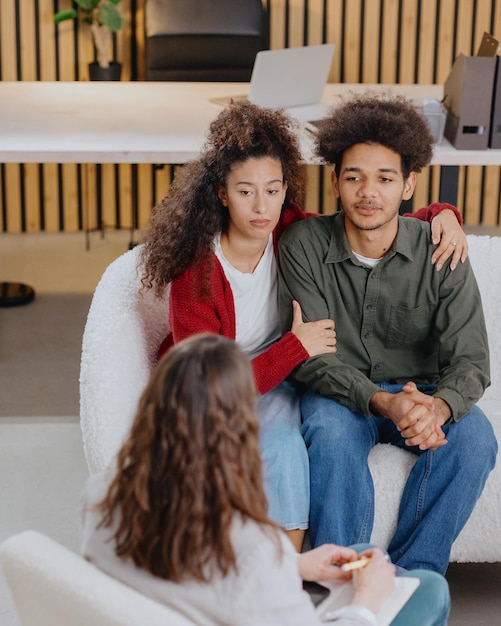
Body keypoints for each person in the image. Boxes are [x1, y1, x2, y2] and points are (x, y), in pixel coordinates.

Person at [140, 100, 466, 551]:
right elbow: (208, 388)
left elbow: (369, 221)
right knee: (263, 449)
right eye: (245, 191)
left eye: (273, 190)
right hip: (211, 387)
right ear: (221, 193)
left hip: (274, 379)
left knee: (287, 446)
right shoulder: (196, 272)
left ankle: (294, 576)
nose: (261, 207)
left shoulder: (285, 228)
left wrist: (442, 213)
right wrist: (295, 347)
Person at [81, 333, 451, 626]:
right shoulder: (250, 545)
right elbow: (242, 565)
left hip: (216, 605)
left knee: (363, 559)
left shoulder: (102, 496)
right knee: (428, 589)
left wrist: (296, 565)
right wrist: (366, 603)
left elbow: (202, 576)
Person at [276, 91, 498, 575]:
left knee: (476, 437)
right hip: (339, 395)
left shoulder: (441, 249)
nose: (368, 192)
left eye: (385, 178)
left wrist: (436, 408)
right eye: (354, 177)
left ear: (408, 185)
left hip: (424, 389)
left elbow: (472, 361)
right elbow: (313, 358)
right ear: (334, 183)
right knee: (329, 431)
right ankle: (341, 579)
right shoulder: (304, 246)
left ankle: (411, 579)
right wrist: (384, 402)